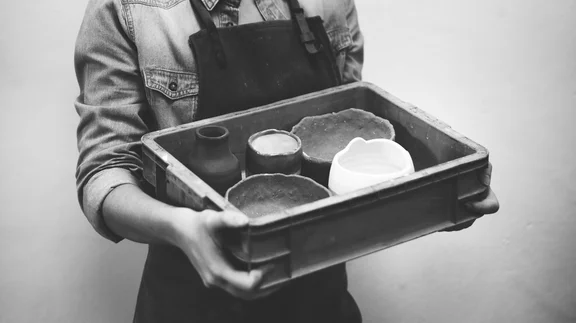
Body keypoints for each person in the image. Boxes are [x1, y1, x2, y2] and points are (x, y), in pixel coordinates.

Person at [73, 0, 499, 322]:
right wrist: (183, 229)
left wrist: (433, 199)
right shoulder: (125, 10)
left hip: (319, 290)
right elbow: (103, 173)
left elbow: (353, 124)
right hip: (189, 295)